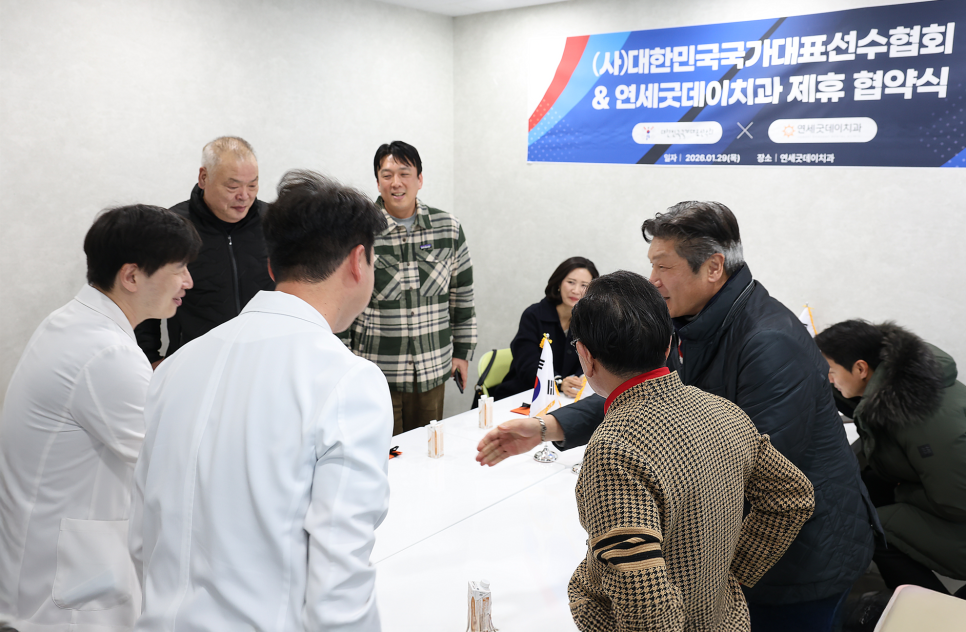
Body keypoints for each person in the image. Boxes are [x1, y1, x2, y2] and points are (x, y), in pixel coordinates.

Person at [478, 201, 879, 632]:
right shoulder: (699, 322)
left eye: (662, 267)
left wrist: (724, 578)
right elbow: (650, 390)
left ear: (712, 267)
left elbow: (742, 474)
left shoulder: (768, 342)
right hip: (728, 567)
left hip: (797, 562)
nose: (653, 281)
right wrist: (548, 426)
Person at [131, 171, 393, 632]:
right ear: (358, 261)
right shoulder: (347, 380)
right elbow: (340, 587)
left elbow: (140, 535)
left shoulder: (175, 366)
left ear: (272, 267)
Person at [565, 270, 815, 630]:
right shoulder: (723, 411)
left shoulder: (614, 448)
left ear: (586, 357)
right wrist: (730, 574)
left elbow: (647, 613)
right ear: (667, 344)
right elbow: (792, 496)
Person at [0, 206, 200, 632]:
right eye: (179, 269)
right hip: (63, 602)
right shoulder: (107, 354)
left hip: (55, 563)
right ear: (131, 276)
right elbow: (177, 468)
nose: (189, 282)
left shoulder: (74, 323)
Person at [816, 320, 966, 596]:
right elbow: (862, 402)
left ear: (861, 368)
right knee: (864, 485)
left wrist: (902, 494)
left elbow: (956, 502)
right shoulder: (903, 383)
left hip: (959, 512)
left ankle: (930, 612)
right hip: (945, 491)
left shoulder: (925, 423)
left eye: (831, 372)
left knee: (872, 525)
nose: (829, 380)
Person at [340, 140, 476, 434]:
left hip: (432, 368)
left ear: (420, 179)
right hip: (375, 371)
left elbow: (462, 295)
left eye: (404, 173)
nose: (396, 182)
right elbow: (342, 301)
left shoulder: (448, 228)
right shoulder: (357, 231)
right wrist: (343, 362)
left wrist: (462, 354)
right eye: (387, 175)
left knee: (427, 452)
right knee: (381, 456)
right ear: (378, 182)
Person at [135, 136, 274, 367]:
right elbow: (145, 297)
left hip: (264, 361)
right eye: (233, 186)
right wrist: (148, 358)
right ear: (204, 177)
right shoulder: (172, 226)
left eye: (252, 185)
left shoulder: (275, 223)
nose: (244, 195)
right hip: (193, 364)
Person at [489, 257, 598, 401]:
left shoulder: (587, 321)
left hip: (567, 397)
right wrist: (558, 382)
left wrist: (578, 380)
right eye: (571, 282)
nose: (576, 290)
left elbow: (591, 357)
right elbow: (527, 363)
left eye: (584, 285)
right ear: (559, 283)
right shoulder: (534, 315)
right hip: (525, 394)